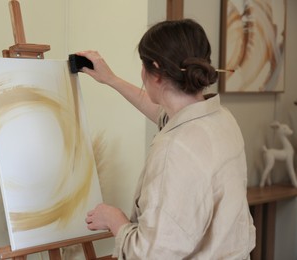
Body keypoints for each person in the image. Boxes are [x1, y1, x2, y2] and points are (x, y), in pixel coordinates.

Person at [79, 19, 256, 259]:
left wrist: (115, 220)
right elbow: (166, 115)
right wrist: (111, 79)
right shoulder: (220, 118)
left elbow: (153, 254)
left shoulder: (175, 149)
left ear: (155, 71)